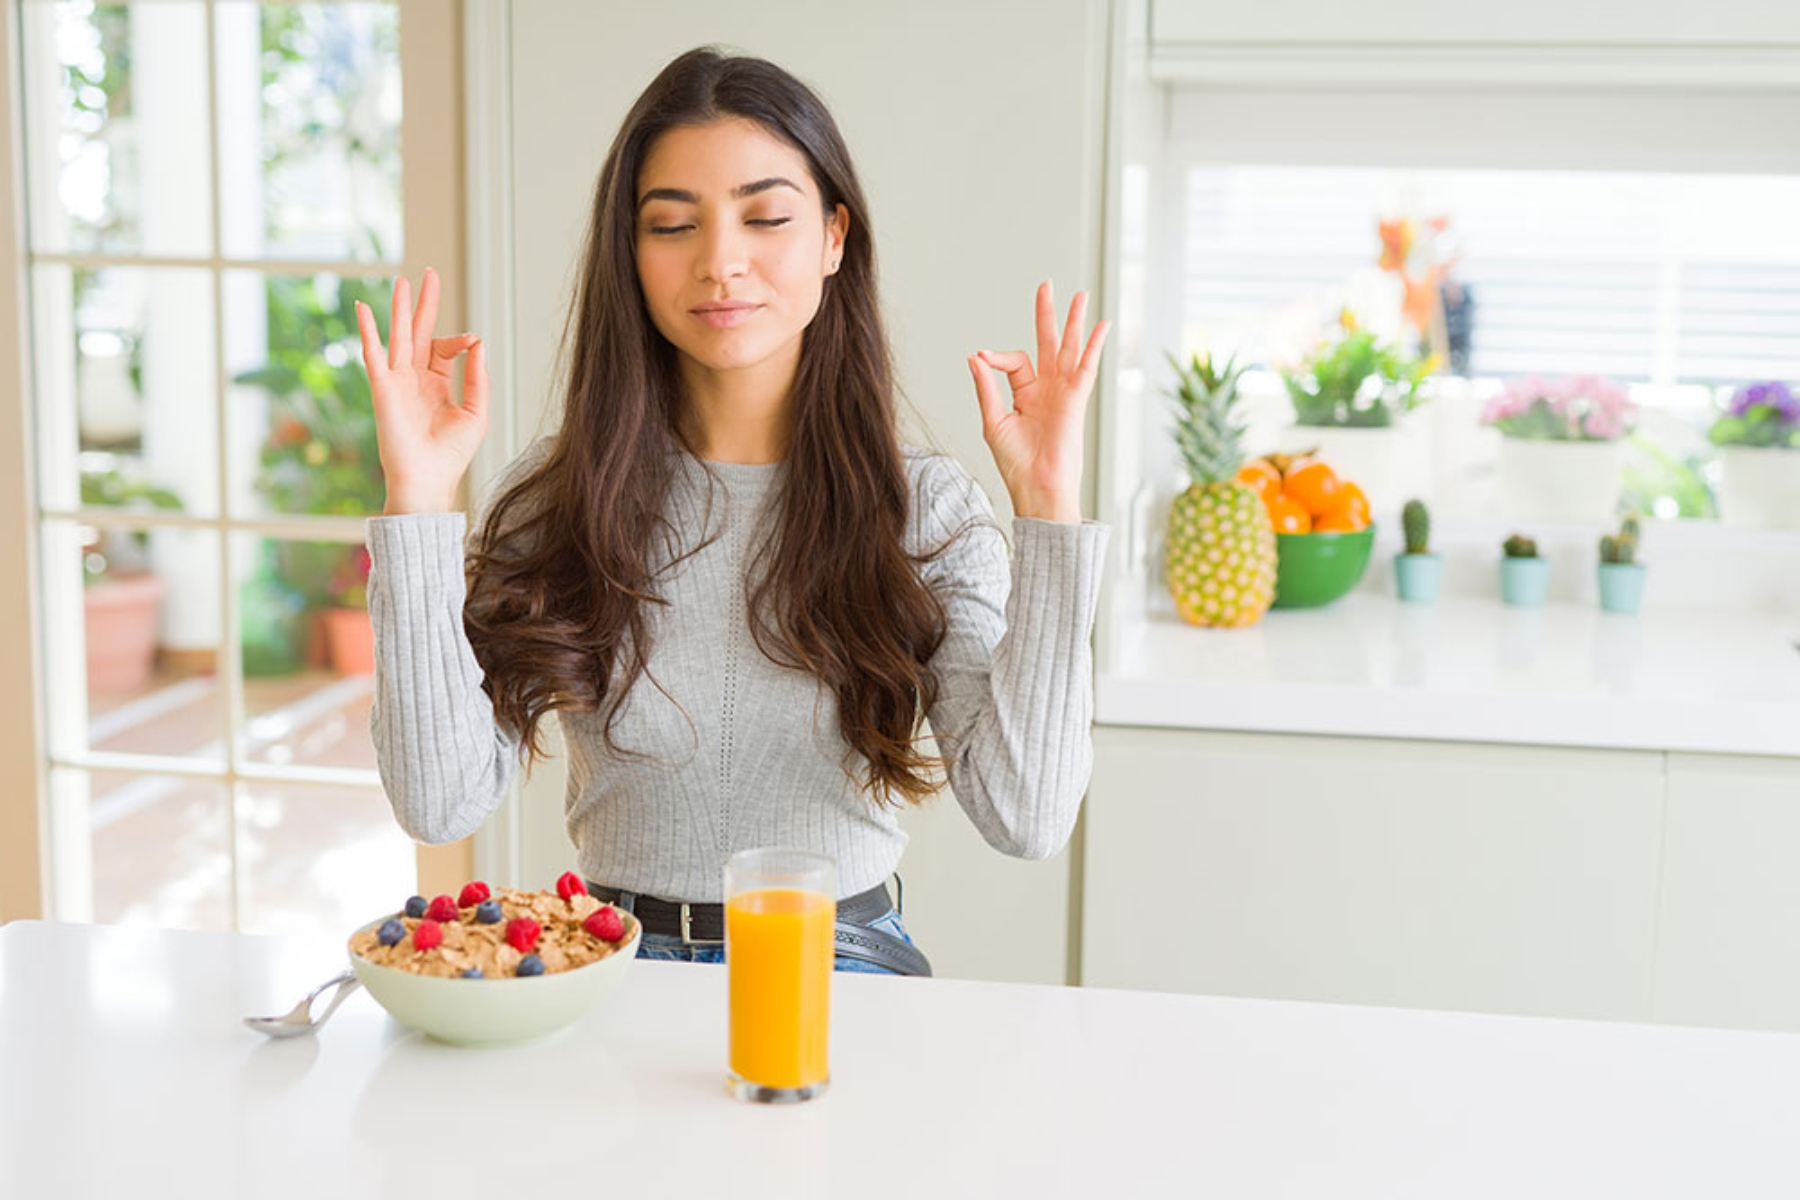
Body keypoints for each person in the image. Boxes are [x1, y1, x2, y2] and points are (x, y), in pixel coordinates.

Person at [353, 46, 1110, 977]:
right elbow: (439, 804)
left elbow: (1026, 816)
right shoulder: (559, 500)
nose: (721, 263)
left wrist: (1050, 515)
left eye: (766, 217)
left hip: (840, 966)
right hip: (609, 969)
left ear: (834, 236)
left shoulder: (927, 512)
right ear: (630, 252)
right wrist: (419, 504)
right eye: (673, 224)